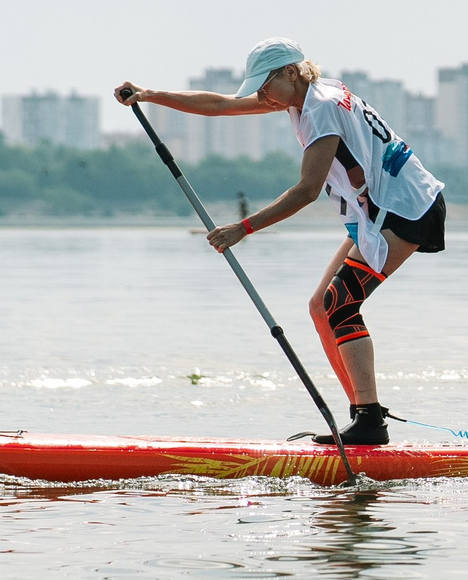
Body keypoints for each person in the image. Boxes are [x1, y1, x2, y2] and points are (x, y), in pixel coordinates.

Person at [115, 38, 445, 445]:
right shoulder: (308, 95)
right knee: (320, 308)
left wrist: (243, 228)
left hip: (406, 207)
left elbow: (307, 191)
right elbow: (221, 105)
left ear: (291, 72)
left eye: (266, 84)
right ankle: (364, 416)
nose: (263, 95)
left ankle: (369, 422)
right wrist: (149, 95)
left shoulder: (321, 108)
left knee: (339, 305)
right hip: (377, 209)